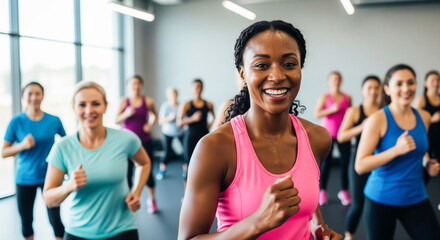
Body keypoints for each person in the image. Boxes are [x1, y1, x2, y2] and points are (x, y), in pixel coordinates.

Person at [178, 20, 342, 240]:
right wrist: (257, 222)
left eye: (289, 64)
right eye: (262, 65)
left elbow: (305, 202)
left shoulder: (317, 139)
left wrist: (318, 228)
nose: (277, 76)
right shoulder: (214, 148)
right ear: (243, 73)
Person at [43, 81, 151, 240]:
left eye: (95, 104)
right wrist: (68, 186)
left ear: (105, 106)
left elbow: (144, 163)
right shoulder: (62, 147)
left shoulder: (126, 139)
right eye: (82, 105)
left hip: (122, 229)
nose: (89, 110)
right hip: (78, 231)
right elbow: (49, 199)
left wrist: (136, 192)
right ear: (74, 109)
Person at [355, 64, 440, 240]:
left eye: (410, 83)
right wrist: (395, 150)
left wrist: (427, 164)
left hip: (416, 196)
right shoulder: (377, 119)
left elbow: (420, 150)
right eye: (399, 84)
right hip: (381, 199)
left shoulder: (423, 117)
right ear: (387, 88)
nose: (406, 88)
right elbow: (360, 165)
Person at [1, 82, 65, 240]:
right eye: (29, 94)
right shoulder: (16, 121)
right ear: (24, 96)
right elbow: (4, 152)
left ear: (42, 96)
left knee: (55, 219)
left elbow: (66, 144)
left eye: (37, 93)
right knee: (26, 221)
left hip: (50, 176)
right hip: (24, 178)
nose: (34, 97)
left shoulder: (54, 120)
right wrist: (21, 145)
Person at [337, 76, 381, 240]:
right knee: (358, 205)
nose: (373, 91)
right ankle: (349, 235)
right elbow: (341, 136)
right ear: (363, 90)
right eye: (369, 87)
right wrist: (363, 126)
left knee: (378, 204)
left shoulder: (385, 110)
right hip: (360, 160)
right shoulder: (355, 111)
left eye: (376, 88)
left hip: (380, 160)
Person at [115, 75, 159, 213]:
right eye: (133, 84)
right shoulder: (124, 102)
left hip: (144, 141)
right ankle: (129, 199)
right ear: (128, 86)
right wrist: (126, 114)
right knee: (127, 172)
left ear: (141, 86)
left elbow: (155, 115)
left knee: (148, 170)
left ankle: (151, 200)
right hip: (126, 142)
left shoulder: (148, 101)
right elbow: (116, 120)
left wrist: (150, 124)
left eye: (138, 83)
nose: (136, 86)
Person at [314, 71, 352, 206]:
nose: (335, 81)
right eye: (333, 79)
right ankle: (323, 191)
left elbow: (351, 115)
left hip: (343, 134)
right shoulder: (325, 97)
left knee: (345, 163)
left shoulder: (348, 97)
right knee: (326, 164)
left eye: (338, 79)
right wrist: (331, 109)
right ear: (329, 82)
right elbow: (317, 113)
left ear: (341, 81)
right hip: (328, 134)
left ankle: (344, 191)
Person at [177, 79, 215, 183]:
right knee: (189, 165)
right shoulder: (187, 104)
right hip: (190, 137)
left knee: (205, 163)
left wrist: (209, 124)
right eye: (196, 87)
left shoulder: (209, 104)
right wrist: (192, 119)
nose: (198, 89)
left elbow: (214, 118)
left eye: (200, 87)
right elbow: (179, 122)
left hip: (204, 136)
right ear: (192, 89)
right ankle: (186, 195)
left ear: (202, 88)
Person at [156, 87, 185, 180]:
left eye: (174, 94)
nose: (173, 96)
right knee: (167, 152)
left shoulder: (181, 106)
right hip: (168, 132)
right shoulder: (165, 106)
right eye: (171, 94)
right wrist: (169, 118)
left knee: (186, 151)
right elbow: (160, 121)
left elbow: (185, 118)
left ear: (177, 94)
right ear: (168, 96)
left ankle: (186, 171)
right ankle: (162, 171)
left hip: (180, 131)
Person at [414, 70, 440, 167]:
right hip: (427, 138)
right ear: (426, 83)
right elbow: (413, 120)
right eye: (432, 80)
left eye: (438, 80)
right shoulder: (421, 100)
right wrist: (432, 119)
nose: (436, 83)